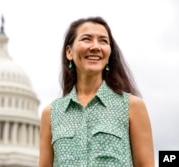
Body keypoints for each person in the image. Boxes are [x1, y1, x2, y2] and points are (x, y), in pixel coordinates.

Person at [39, 16, 154, 167]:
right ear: (69, 52)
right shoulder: (51, 113)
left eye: (103, 41)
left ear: (109, 54)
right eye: (86, 39)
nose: (95, 46)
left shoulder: (132, 106)